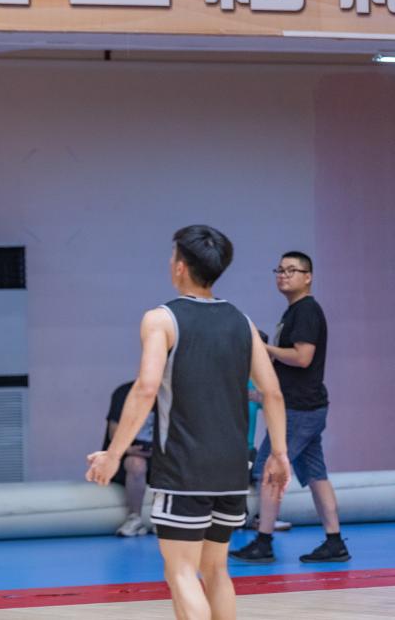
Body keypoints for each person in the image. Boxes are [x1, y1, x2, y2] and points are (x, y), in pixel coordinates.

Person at [86, 225, 291, 620]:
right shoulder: (242, 321)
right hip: (233, 466)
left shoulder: (160, 319)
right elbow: (273, 393)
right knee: (216, 570)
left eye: (171, 256)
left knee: (180, 571)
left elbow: (146, 389)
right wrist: (279, 454)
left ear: (180, 266)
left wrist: (113, 455)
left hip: (183, 467)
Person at [231, 252, 349, 564]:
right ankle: (335, 542)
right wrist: (258, 394)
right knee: (316, 475)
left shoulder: (306, 310)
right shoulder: (294, 311)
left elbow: (302, 358)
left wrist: (264, 347)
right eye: (280, 270)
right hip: (305, 406)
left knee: (268, 470)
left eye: (292, 270)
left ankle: (264, 542)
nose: (283, 274)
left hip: (299, 410)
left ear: (308, 277)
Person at [102, 381, 153, 537]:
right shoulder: (124, 393)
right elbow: (114, 432)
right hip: (123, 460)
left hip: (160, 459)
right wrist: (128, 449)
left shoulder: (172, 395)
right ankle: (134, 518)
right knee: (136, 463)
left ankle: (166, 520)